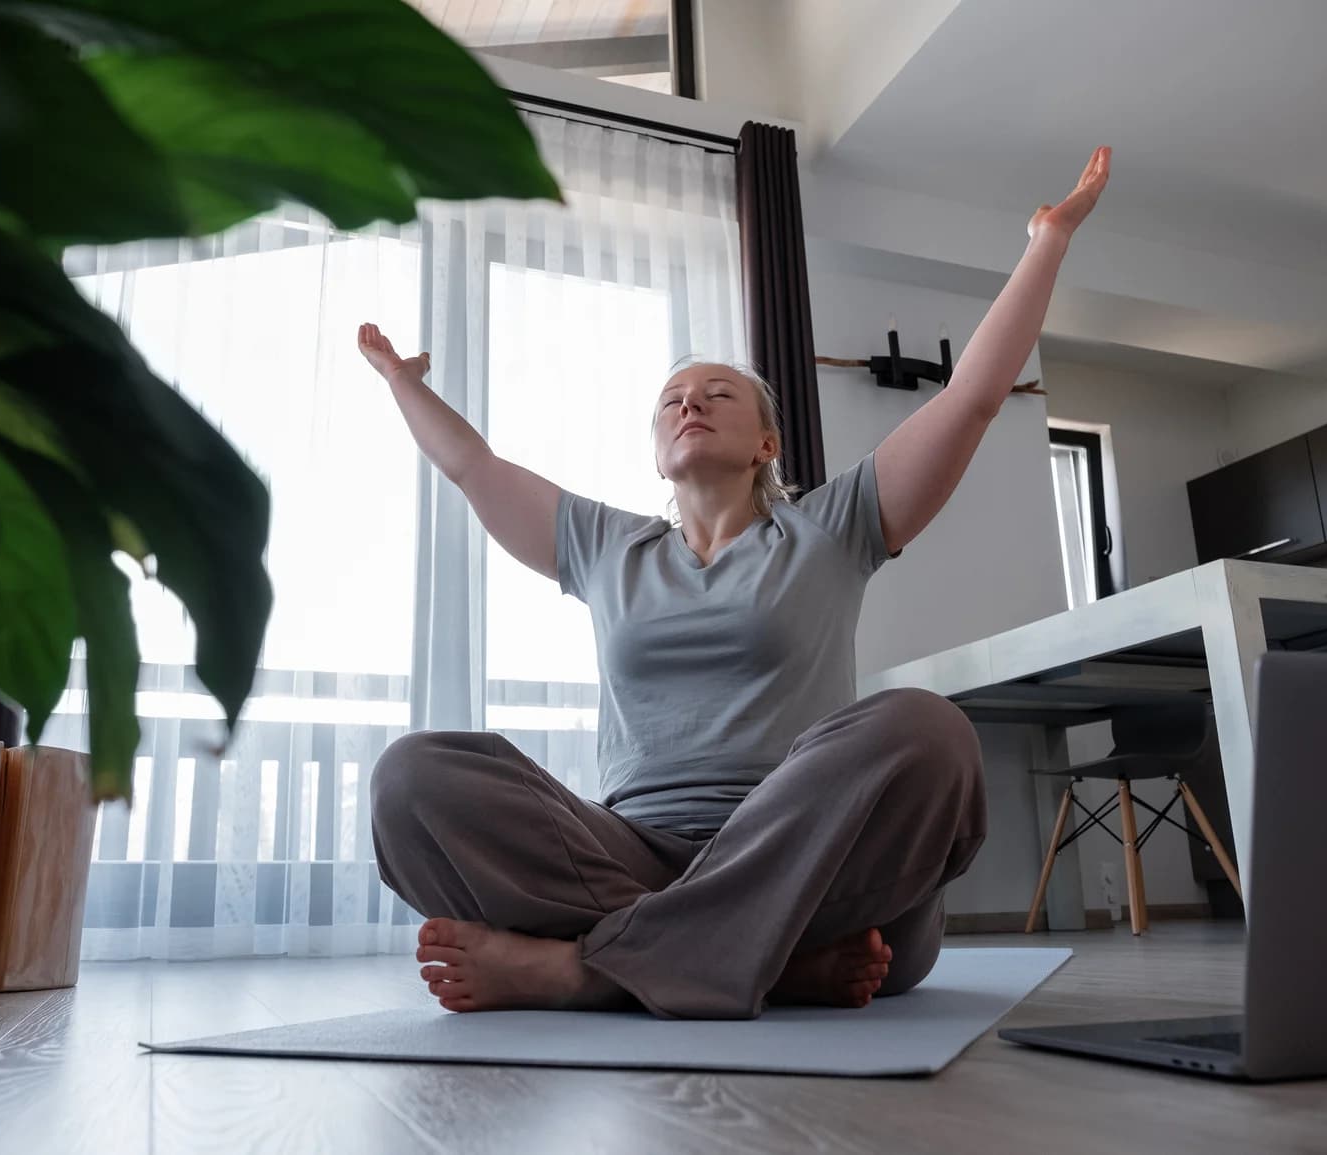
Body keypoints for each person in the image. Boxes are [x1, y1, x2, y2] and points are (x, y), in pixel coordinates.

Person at [357, 147, 1111, 1021]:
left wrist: (1046, 242)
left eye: (717, 394)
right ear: (657, 449)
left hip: (816, 865)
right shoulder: (605, 544)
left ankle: (586, 970)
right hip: (633, 855)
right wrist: (403, 386)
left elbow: (973, 399)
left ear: (765, 445)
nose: (689, 403)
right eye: (673, 399)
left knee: (926, 729)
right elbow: (471, 465)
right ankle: (760, 960)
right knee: (413, 778)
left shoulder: (833, 525)